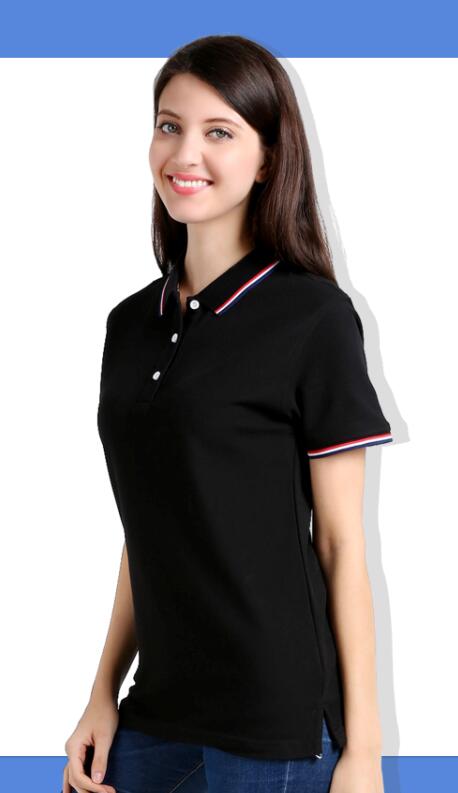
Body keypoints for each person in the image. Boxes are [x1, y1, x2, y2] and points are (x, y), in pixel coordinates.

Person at [62, 34, 393, 793]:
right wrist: (101, 692)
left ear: (268, 157)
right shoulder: (129, 324)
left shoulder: (313, 318)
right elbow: (149, 526)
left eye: (220, 132)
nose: (186, 153)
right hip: (157, 709)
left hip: (276, 721)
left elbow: (342, 544)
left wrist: (365, 752)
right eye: (169, 125)